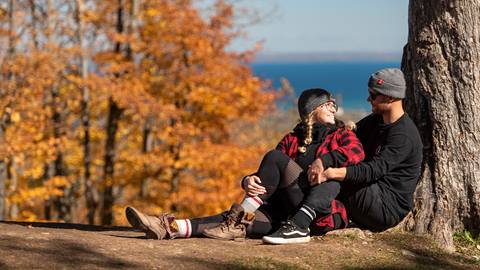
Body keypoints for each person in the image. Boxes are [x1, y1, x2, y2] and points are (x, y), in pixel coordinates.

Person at [125, 88, 365, 244]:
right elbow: (270, 174)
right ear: (312, 110)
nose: (334, 108)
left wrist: (324, 160)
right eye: (328, 104)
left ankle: (237, 217)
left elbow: (356, 153)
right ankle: (169, 227)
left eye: (334, 104)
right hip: (283, 213)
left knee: (272, 159)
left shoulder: (341, 135)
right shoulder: (293, 138)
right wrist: (248, 180)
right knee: (233, 221)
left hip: (314, 212)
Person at [318, 68, 423, 231]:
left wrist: (332, 173)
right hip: (369, 192)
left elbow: (372, 171)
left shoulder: (404, 136)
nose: (368, 99)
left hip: (385, 208)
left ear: (390, 97)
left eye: (373, 95)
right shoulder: (376, 120)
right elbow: (347, 137)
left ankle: (304, 218)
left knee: (336, 179)